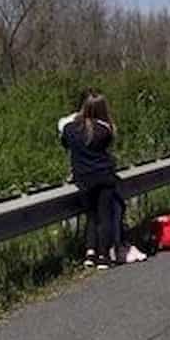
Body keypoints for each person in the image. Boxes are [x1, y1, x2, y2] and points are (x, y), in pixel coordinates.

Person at [60, 90, 120, 269]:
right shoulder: (105, 130)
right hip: (104, 176)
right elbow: (108, 144)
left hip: (83, 178)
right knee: (104, 216)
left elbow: (64, 140)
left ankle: (89, 253)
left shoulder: (70, 129)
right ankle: (103, 255)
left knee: (91, 216)